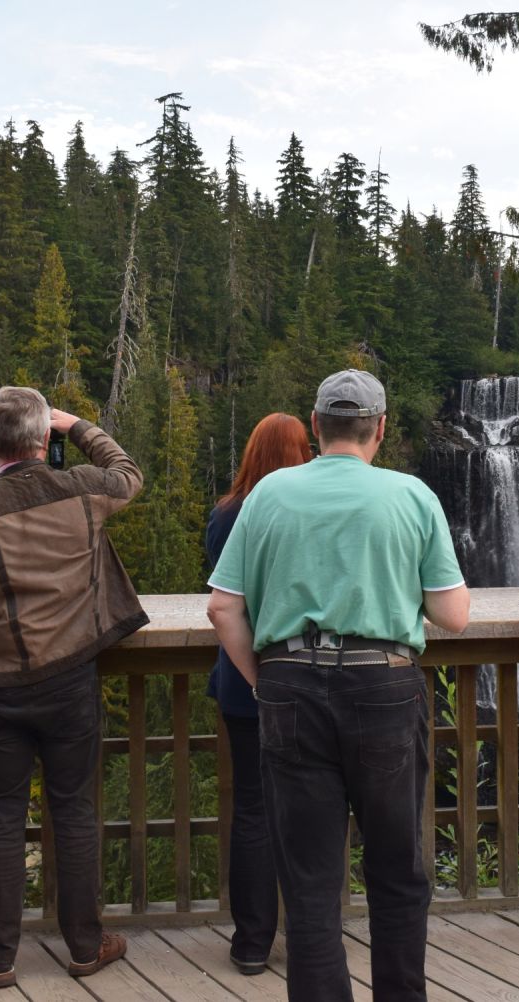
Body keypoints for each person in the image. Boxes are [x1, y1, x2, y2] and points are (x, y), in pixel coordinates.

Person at [207, 369, 470, 1002]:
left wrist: (263, 680)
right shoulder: (410, 495)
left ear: (318, 426)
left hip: (290, 688)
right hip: (384, 686)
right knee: (398, 872)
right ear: (380, 428)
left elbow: (222, 608)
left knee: (310, 880)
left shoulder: (267, 495)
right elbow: (453, 614)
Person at [0, 387, 147, 989]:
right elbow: (127, 472)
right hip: (72, 679)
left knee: (0, 818)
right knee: (74, 812)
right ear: (42, 438)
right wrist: (78, 426)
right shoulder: (80, 489)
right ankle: (84, 946)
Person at [204, 412, 314, 975]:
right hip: (307, 679)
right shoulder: (311, 511)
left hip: (246, 682)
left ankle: (250, 944)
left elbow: (225, 598)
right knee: (309, 811)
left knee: (251, 809)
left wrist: (251, 676)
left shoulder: (226, 515)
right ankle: (309, 939)